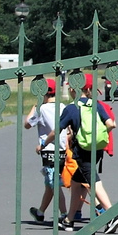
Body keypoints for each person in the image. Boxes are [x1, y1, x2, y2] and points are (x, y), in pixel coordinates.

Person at [56, 73, 118, 233]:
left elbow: (57, 129)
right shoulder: (96, 105)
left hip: (81, 150)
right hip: (98, 149)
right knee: (76, 182)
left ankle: (112, 215)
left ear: (73, 89)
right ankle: (69, 220)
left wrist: (44, 143)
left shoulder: (71, 108)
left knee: (93, 181)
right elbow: (112, 124)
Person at [25, 78, 67, 224]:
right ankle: (40, 212)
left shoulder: (41, 109)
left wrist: (35, 106)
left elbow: (27, 124)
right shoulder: (63, 107)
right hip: (62, 149)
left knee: (54, 183)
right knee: (50, 182)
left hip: (48, 150)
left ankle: (64, 214)